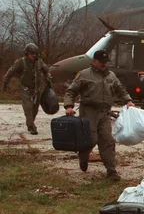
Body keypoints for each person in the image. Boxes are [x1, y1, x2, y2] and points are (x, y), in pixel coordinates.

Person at [63, 50, 135, 181]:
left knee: (107, 141)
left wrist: (128, 101)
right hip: (88, 111)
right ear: (94, 61)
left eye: (106, 62)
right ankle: (83, 158)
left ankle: (111, 171)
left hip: (105, 112)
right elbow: (71, 91)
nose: (104, 65)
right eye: (102, 62)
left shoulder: (111, 76)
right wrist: (69, 106)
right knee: (90, 139)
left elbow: (120, 89)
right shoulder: (84, 75)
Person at [1, 43, 52, 135]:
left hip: (36, 90)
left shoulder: (40, 62)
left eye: (35, 53)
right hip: (24, 89)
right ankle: (31, 127)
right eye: (31, 53)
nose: (34, 55)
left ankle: (30, 122)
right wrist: (4, 83)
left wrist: (48, 78)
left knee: (35, 109)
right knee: (28, 107)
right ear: (27, 53)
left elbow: (46, 70)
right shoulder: (20, 62)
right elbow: (10, 72)